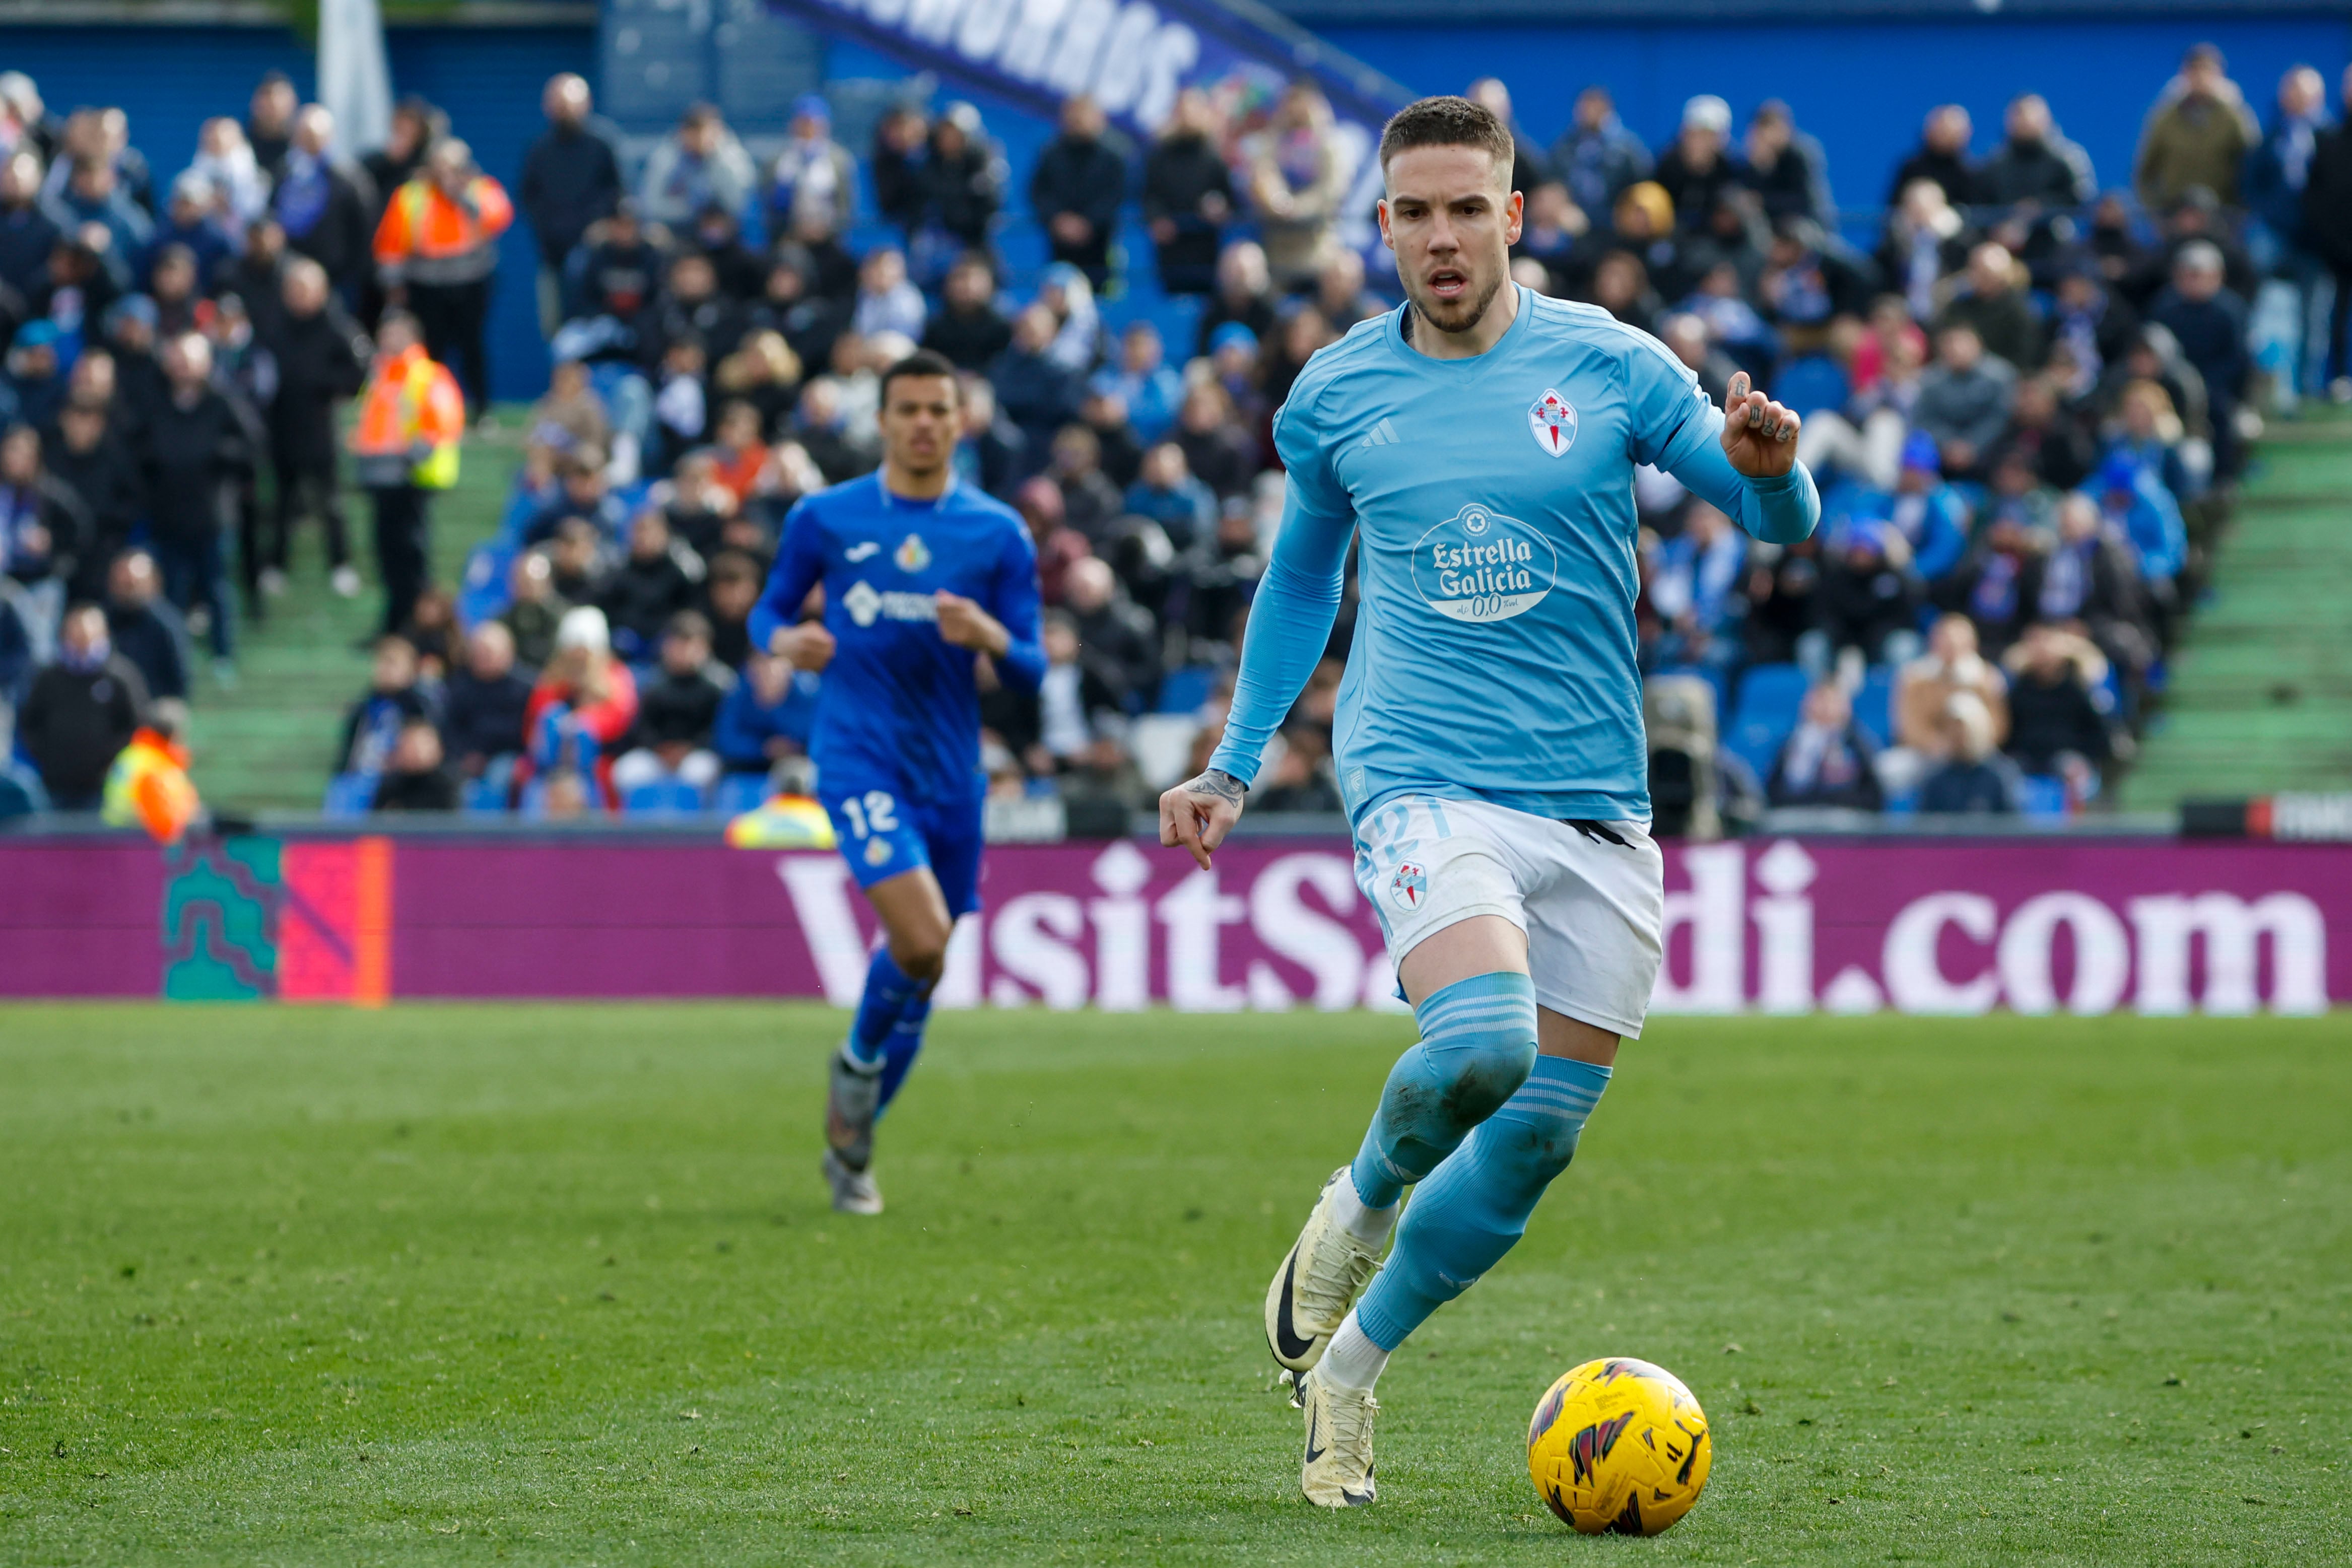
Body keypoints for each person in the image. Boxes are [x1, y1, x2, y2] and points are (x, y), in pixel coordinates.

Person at [1155, 96, 1818, 1509]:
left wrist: (1776, 472)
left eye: (1468, 209)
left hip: (1591, 802)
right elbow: (1298, 580)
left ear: (1512, 218)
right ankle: (1357, 1202)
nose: (1441, 237)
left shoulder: (1610, 364)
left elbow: (1766, 507)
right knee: (1480, 1042)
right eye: (1414, 212)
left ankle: (1345, 1378)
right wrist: (1234, 756)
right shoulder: (1333, 394)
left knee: (1531, 1145)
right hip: (1418, 778)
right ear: (1380, 225)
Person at [748, 347, 1045, 1216]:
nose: (922, 423)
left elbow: (1029, 670)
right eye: (906, 408)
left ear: (961, 422)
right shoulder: (825, 518)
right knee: (917, 942)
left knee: (926, 966)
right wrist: (781, 641)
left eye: (937, 410)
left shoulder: (996, 533)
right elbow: (769, 607)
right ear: (880, 420)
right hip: (857, 756)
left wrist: (989, 633)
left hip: (950, 772)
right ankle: (853, 1066)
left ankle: (852, 1141)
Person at [371, 138, 512, 420]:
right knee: (430, 351)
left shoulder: (480, 190)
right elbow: (390, 244)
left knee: (473, 346)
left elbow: (499, 218)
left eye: (454, 166)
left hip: (472, 281)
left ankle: (482, 411)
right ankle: (429, 412)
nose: (447, 173)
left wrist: (460, 195)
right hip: (427, 285)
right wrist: (393, 286)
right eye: (441, 167)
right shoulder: (412, 195)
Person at [140, 332, 252, 672]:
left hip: (211, 516)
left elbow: (250, 444)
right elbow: (140, 452)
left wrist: (213, 456)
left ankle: (223, 655)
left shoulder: (222, 402)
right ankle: (176, 658)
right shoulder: (156, 403)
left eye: (189, 361)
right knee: (172, 593)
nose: (183, 368)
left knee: (216, 589)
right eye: (178, 360)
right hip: (168, 516)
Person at [260, 258, 371, 599]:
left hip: (321, 428)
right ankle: (276, 565)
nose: (300, 296)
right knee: (282, 503)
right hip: (281, 428)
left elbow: (359, 373)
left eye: (307, 289)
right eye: (295, 289)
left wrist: (322, 386)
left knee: (332, 503)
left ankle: (341, 564)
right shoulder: (274, 326)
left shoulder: (337, 328)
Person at [349, 311, 464, 636]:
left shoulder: (426, 375)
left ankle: (419, 627)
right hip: (380, 479)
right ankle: (394, 625)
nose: (388, 340)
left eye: (395, 334)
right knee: (388, 560)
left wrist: (415, 457)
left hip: (411, 480)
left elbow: (442, 421)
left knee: (412, 560)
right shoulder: (381, 375)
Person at [519, 74, 621, 336]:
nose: (565, 110)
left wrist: (598, 225)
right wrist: (549, 230)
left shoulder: (601, 146)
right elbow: (529, 197)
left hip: (597, 262)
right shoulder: (539, 151)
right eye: (559, 103)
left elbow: (616, 193)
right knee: (555, 329)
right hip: (553, 258)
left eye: (570, 103)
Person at [20, 601, 147, 809]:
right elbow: (30, 722)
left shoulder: (120, 676)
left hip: (104, 787)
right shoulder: (48, 677)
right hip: (55, 785)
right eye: (76, 634)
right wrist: (49, 758)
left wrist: (110, 761)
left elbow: (136, 725)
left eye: (87, 635)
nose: (82, 640)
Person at [2135, 43, 2259, 213]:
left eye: (2206, 70)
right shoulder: (2164, 117)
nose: (2200, 77)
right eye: (2193, 70)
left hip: (2222, 214)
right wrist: (2156, 213)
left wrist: (2241, 209)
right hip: (2176, 215)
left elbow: (2253, 165)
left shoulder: (2235, 117)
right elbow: (2144, 172)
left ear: (2219, 74)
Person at [274, 105, 376, 301]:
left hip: (338, 277)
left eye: (314, 135)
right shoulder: (286, 172)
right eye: (303, 134)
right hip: (293, 272)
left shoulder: (348, 177)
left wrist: (355, 270)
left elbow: (364, 225)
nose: (308, 141)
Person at [1142, 89, 1234, 296]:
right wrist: (1157, 219)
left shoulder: (1214, 157)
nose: (1186, 117)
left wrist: (1219, 208)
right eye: (1181, 110)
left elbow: (1228, 198)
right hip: (1171, 248)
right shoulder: (1159, 156)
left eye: (1192, 110)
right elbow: (1150, 196)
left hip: (1204, 246)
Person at [1030, 95, 1124, 289]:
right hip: (1060, 244)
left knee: (1102, 292)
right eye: (1073, 115)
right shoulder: (1051, 152)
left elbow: (1116, 195)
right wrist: (1058, 219)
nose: (1077, 121)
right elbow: (1038, 191)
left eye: (1083, 115)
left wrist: (1089, 222)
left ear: (1099, 118)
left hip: (1101, 243)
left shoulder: (1115, 155)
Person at [440, 620, 533, 784]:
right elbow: (450, 727)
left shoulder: (526, 688)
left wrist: (487, 753)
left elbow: (526, 731)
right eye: (477, 652)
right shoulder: (460, 685)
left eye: (488, 652)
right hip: (465, 758)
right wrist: (466, 754)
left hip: (509, 757)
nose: (481, 657)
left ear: (507, 653)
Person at [1766, 679, 1882, 811]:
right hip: (1798, 813)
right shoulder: (1793, 741)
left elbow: (1874, 791)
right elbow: (1773, 788)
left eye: (1833, 701)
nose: (1826, 707)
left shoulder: (1858, 742)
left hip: (1846, 814)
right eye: (1820, 700)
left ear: (1846, 707)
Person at [100, 696, 199, 842]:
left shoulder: (134, 755)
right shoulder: (156, 767)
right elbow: (166, 826)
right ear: (174, 735)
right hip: (143, 850)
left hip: (118, 845)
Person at [1979, 94, 2096, 211]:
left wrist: (2041, 207)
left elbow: (2083, 198)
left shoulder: (2069, 158)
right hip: (2004, 228)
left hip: (2056, 227)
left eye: (2031, 113)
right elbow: (1980, 206)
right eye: (2017, 114)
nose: (2024, 120)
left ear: (2047, 118)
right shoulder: (1993, 163)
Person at [103, 549, 189, 704]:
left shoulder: (166, 623)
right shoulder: (102, 621)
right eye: (124, 584)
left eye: (134, 584)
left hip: (154, 705)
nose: (130, 590)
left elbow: (180, 678)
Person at [372, 718, 459, 811]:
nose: (416, 751)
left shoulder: (447, 785)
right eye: (410, 745)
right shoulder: (390, 786)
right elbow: (377, 819)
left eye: (422, 745)